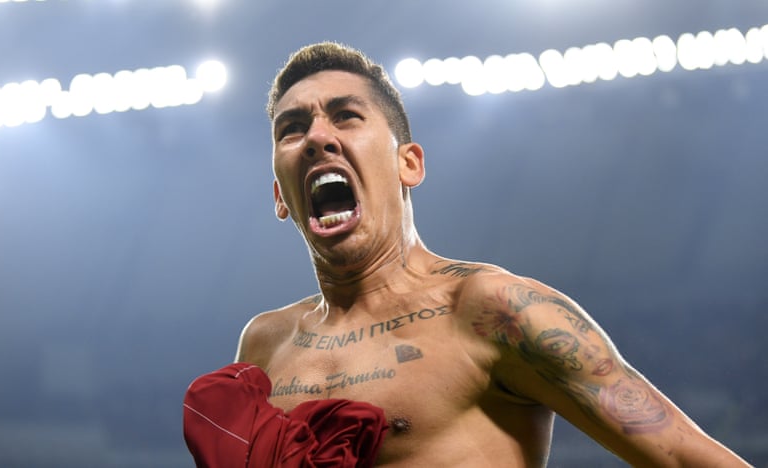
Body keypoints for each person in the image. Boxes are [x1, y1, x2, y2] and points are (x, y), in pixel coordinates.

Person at [221, 42, 751, 466]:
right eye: (292, 129)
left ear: (409, 164)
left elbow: (687, 457)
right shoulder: (265, 344)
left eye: (345, 116)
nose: (317, 138)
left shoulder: (493, 310)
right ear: (280, 197)